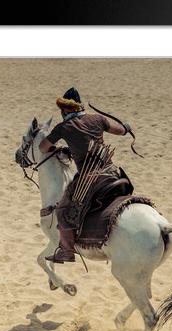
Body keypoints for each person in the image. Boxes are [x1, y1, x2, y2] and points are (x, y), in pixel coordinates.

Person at [39, 87, 133, 263]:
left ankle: (66, 250)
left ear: (64, 110)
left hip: (90, 179)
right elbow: (119, 130)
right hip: (112, 172)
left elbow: (43, 147)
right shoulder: (97, 119)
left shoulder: (63, 127)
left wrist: (56, 148)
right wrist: (126, 127)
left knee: (62, 210)